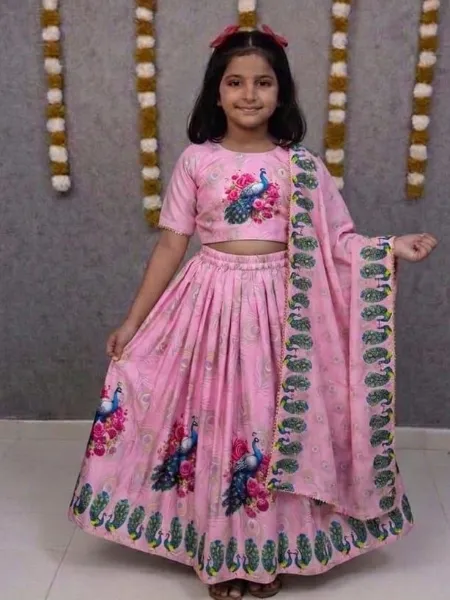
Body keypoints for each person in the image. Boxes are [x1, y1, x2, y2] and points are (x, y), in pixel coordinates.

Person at [69, 25, 438, 600]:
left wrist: (389, 248)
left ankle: (269, 550)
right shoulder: (198, 161)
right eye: (235, 82)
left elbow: (337, 241)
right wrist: (133, 321)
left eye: (263, 83)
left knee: (270, 425)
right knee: (217, 420)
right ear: (216, 92)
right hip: (210, 304)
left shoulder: (302, 166)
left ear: (280, 92)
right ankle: (220, 554)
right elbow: (170, 245)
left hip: (281, 310)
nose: (248, 94)